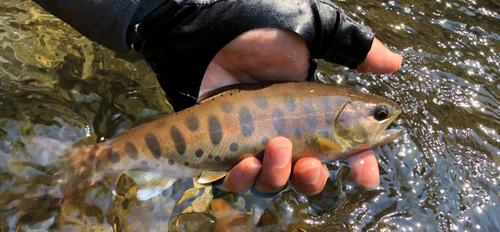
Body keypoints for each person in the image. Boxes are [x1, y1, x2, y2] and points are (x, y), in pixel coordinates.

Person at [33, 0, 403, 196]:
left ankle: (91, 160)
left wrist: (166, 13)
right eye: (379, 114)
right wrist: (178, 14)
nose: (386, 118)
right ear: (347, 115)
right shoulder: (328, 129)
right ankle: (93, 161)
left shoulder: (330, 115)